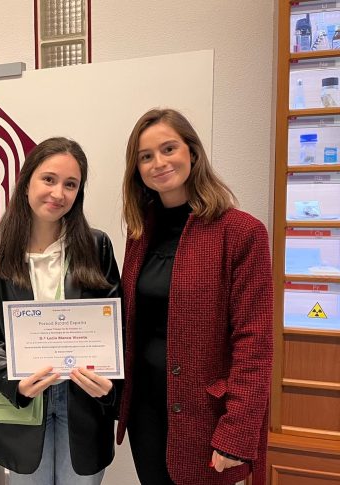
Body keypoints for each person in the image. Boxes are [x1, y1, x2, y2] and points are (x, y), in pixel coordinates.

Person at [117, 108, 272, 485]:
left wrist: (237, 431)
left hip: (205, 416)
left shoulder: (241, 232)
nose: (159, 163)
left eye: (169, 149)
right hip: (145, 411)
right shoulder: (140, 234)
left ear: (193, 153)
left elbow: (254, 342)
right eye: (146, 156)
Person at [0, 137, 121, 485]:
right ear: (26, 182)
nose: (58, 193)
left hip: (82, 398)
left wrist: (109, 384)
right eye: (48, 179)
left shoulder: (97, 247)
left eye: (70, 184)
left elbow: (115, 326)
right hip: (23, 396)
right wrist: (13, 379)